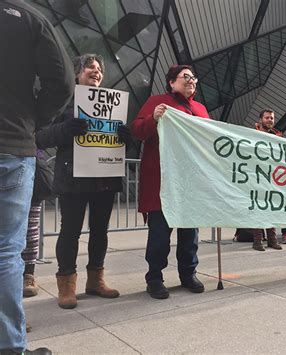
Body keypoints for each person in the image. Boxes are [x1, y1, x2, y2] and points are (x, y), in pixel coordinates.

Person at [0, 1, 74, 353]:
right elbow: (60, 81)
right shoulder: (27, 16)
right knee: (3, 253)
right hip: (9, 143)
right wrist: (32, 122)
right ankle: (10, 347)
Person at [36, 54, 131, 309]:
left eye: (99, 69)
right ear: (77, 73)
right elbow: (41, 137)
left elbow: (119, 144)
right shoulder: (64, 102)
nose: (96, 71)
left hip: (104, 179)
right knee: (70, 232)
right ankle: (67, 285)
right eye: (91, 67)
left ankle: (95, 280)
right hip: (74, 179)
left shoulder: (113, 106)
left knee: (101, 231)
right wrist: (65, 129)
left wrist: (125, 136)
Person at [131, 65, 208, 300]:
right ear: (172, 82)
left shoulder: (200, 109)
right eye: (185, 77)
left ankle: (188, 273)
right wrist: (153, 119)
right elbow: (137, 130)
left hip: (190, 184)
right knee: (159, 236)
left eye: (193, 77)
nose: (191, 81)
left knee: (189, 236)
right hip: (163, 183)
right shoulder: (158, 103)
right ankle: (154, 278)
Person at [243, 109, 283, 251]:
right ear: (260, 120)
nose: (270, 120)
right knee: (258, 209)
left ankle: (272, 240)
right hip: (256, 177)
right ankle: (258, 240)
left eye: (272, 118)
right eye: (267, 118)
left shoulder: (277, 136)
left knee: (271, 209)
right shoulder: (252, 135)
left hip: (271, 177)